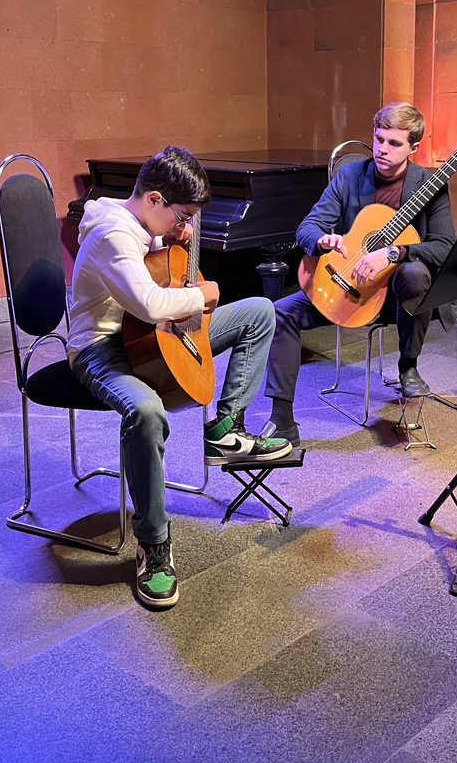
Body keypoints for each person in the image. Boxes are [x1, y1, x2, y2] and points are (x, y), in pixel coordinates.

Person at [68, 145, 291, 610]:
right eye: (182, 215)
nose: (185, 224)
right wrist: (204, 293)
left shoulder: (144, 225)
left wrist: (171, 238)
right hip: (100, 348)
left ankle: (225, 428)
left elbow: (154, 276)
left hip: (149, 336)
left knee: (259, 311)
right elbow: (151, 304)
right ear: (154, 199)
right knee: (147, 411)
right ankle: (153, 544)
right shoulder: (112, 234)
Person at [264, 102, 455, 445]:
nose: (382, 149)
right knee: (280, 313)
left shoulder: (430, 185)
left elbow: (444, 246)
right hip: (349, 285)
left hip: (400, 298)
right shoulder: (350, 176)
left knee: (414, 273)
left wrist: (395, 253)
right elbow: (307, 227)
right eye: (379, 139)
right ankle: (281, 419)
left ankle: (408, 365)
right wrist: (321, 240)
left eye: (394, 143)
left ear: (413, 147)